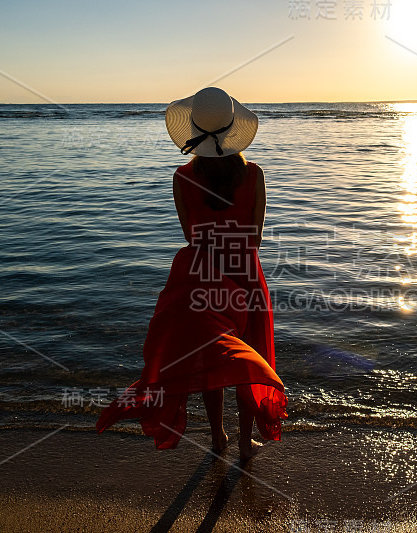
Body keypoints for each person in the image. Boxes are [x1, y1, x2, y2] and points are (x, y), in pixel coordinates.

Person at [96, 87, 288, 460]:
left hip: (202, 273)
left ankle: (217, 437)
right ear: (234, 129)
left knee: (211, 356)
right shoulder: (255, 175)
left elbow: (190, 235)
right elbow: (256, 236)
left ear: (194, 131)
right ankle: (246, 441)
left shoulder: (182, 177)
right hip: (245, 273)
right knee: (248, 356)